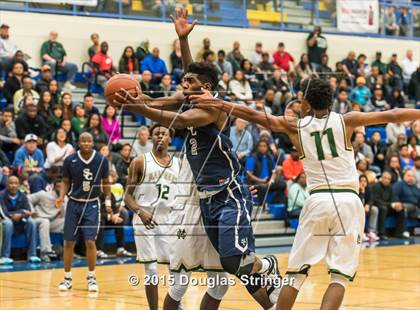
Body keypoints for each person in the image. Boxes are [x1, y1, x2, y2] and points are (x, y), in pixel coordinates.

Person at [190, 77, 420, 310]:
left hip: (318, 200)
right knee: (339, 278)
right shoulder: (347, 120)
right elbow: (393, 114)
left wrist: (218, 103)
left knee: (295, 275)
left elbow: (254, 115)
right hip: (349, 200)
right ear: (330, 101)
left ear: (307, 105)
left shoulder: (294, 126)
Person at [114, 9, 281, 308]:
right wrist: (182, 40)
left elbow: (177, 120)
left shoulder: (212, 107)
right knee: (228, 269)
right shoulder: (190, 95)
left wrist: (139, 109)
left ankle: (267, 267)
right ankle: (269, 295)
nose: (182, 82)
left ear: (204, 86)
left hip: (228, 193)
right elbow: (157, 99)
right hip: (205, 199)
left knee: (231, 263)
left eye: (188, 80)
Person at [124, 124, 180, 310]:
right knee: (151, 269)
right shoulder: (140, 162)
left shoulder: (179, 164)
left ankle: (175, 304)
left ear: (170, 138)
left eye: (164, 134)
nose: (160, 136)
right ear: (151, 138)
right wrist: (140, 211)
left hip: (169, 220)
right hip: (144, 220)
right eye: (156, 134)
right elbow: (127, 196)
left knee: (175, 268)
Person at [57, 132, 110, 292]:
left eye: (89, 141)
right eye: (83, 141)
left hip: (92, 205)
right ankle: (67, 279)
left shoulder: (101, 160)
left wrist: (107, 201)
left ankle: (92, 277)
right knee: (69, 242)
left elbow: (106, 182)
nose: (86, 143)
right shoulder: (69, 160)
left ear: (93, 143)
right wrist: (61, 197)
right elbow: (65, 181)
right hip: (74, 204)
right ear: (78, 143)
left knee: (90, 242)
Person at [0, 176, 41, 264]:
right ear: (7, 185)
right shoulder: (1, 195)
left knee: (32, 222)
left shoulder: (23, 196)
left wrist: (21, 214)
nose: (13, 186)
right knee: (8, 223)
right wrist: (20, 212)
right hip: (6, 221)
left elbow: (28, 211)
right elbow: (3, 212)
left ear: (19, 185)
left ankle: (32, 255)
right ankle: (5, 256)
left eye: (16, 183)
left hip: (20, 221)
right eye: (11, 183)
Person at [28, 178, 64, 262]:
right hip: (36, 220)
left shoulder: (64, 199)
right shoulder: (43, 194)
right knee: (45, 221)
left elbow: (65, 215)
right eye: (58, 187)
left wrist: (63, 200)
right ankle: (45, 252)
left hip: (50, 223)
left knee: (68, 222)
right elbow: (27, 198)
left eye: (62, 187)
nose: (60, 189)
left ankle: (68, 251)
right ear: (54, 187)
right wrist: (31, 211)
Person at [245, 139, 287, 206]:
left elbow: (274, 172)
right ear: (258, 147)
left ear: (267, 147)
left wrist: (271, 180)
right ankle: (261, 206)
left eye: (264, 146)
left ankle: (274, 203)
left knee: (282, 184)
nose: (262, 148)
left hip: (268, 182)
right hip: (256, 182)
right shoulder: (253, 157)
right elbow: (249, 175)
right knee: (262, 187)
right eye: (260, 146)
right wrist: (261, 181)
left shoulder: (270, 157)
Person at [393, 169, 420, 238]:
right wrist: (397, 203)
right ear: (404, 176)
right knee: (403, 208)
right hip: (403, 205)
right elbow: (394, 195)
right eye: (408, 176)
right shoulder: (400, 184)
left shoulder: (415, 187)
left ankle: (417, 231)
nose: (410, 178)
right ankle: (404, 231)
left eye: (412, 176)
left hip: (415, 209)